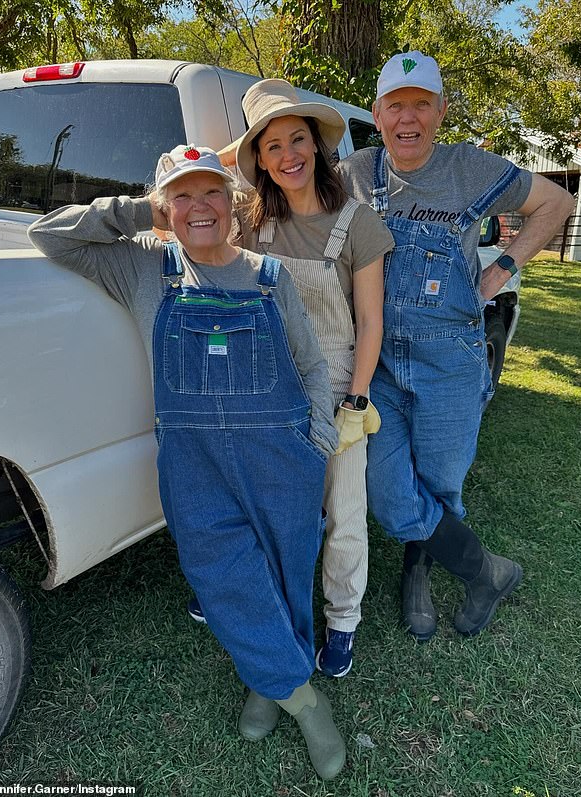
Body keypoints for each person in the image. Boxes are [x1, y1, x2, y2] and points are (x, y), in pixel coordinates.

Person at [28, 146, 346, 780]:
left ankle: (266, 685)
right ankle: (307, 702)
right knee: (222, 572)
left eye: (211, 193)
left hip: (282, 451)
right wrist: (139, 211)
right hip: (192, 460)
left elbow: (311, 364)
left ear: (235, 204)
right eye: (182, 195)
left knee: (287, 570)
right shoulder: (144, 266)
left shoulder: (268, 275)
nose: (198, 207)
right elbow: (49, 236)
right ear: (164, 205)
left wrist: (317, 434)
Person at [337, 51, 575, 641]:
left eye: (421, 104)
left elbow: (558, 203)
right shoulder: (355, 173)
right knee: (389, 492)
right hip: (380, 363)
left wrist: (506, 267)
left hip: (453, 361)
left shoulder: (471, 167)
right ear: (377, 113)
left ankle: (417, 570)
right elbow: (271, 176)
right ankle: (488, 571)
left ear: (441, 111)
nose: (408, 118)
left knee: (442, 484)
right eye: (396, 105)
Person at [226, 78, 394, 678]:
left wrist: (356, 398)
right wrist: (237, 154)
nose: (288, 155)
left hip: (336, 383)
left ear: (318, 146)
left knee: (344, 508)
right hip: (268, 382)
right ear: (259, 162)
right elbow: (187, 195)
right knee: (274, 502)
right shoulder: (251, 222)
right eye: (270, 147)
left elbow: (370, 322)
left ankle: (342, 622)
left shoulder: (359, 223)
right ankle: (272, 603)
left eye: (297, 139)